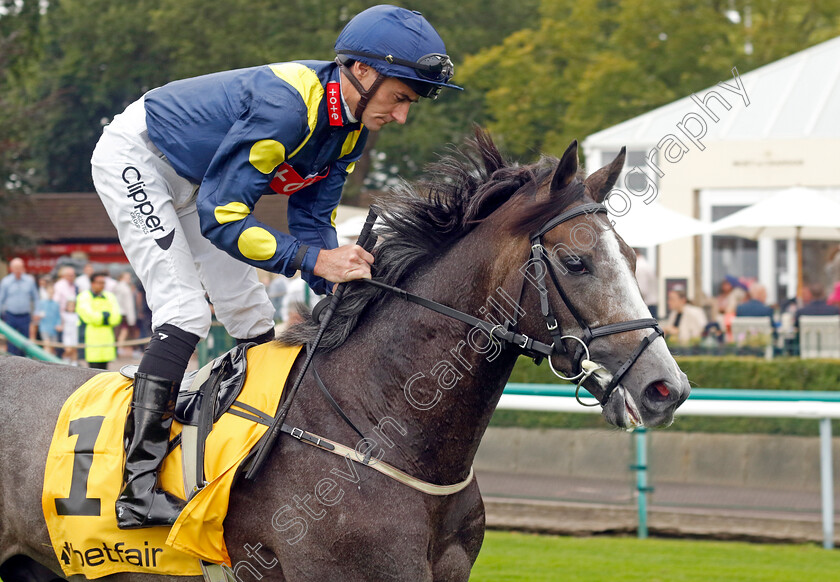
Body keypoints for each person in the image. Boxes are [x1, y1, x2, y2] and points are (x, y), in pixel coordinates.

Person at [89, 4, 461, 529]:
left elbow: (311, 224)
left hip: (198, 186)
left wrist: (338, 278)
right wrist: (315, 261)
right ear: (363, 70)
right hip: (141, 160)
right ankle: (137, 488)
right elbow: (222, 218)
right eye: (400, 98)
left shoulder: (349, 128)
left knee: (252, 318)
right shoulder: (288, 108)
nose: (402, 116)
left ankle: (234, 465)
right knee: (186, 313)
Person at [75, 272, 122, 370]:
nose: (102, 285)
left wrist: (100, 318)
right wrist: (105, 317)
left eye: (103, 283)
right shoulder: (84, 296)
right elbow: (88, 315)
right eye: (99, 282)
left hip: (107, 339)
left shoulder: (110, 296)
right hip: (90, 339)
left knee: (105, 369)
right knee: (93, 370)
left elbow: (116, 317)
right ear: (92, 283)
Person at [0, 258, 39, 356]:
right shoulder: (6, 281)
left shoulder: (29, 281)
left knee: (24, 341)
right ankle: (11, 363)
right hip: (10, 315)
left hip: (25, 316)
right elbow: (1, 299)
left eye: (19, 267)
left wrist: (37, 312)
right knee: (11, 340)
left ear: (23, 268)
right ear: (11, 268)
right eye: (15, 267)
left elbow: (36, 298)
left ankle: (23, 364)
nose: (17, 269)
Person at [34, 279, 62, 354]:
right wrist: (38, 316)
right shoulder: (41, 302)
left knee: (52, 347)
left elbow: (58, 316)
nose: (50, 294)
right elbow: (37, 313)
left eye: (52, 293)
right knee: (47, 345)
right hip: (44, 327)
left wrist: (58, 324)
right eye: (49, 292)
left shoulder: (56, 304)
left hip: (53, 329)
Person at [114, 271, 138, 356]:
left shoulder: (117, 286)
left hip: (119, 312)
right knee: (124, 332)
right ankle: (119, 349)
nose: (129, 279)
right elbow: (129, 304)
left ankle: (119, 349)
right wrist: (131, 317)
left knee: (122, 332)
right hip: (125, 313)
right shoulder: (125, 288)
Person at [634, 249, 658, 318]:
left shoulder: (640, 267)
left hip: (647, 305)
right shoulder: (645, 264)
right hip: (650, 304)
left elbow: (642, 290)